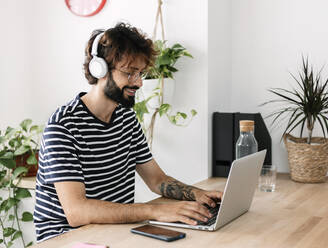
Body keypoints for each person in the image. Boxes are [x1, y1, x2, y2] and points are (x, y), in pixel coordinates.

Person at [33, 22, 223, 242]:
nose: (139, 83)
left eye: (140, 73)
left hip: (113, 234)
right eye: (130, 73)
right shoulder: (63, 126)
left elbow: (156, 179)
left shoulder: (126, 118)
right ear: (100, 69)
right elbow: (77, 212)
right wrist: (154, 211)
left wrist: (197, 194)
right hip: (68, 240)